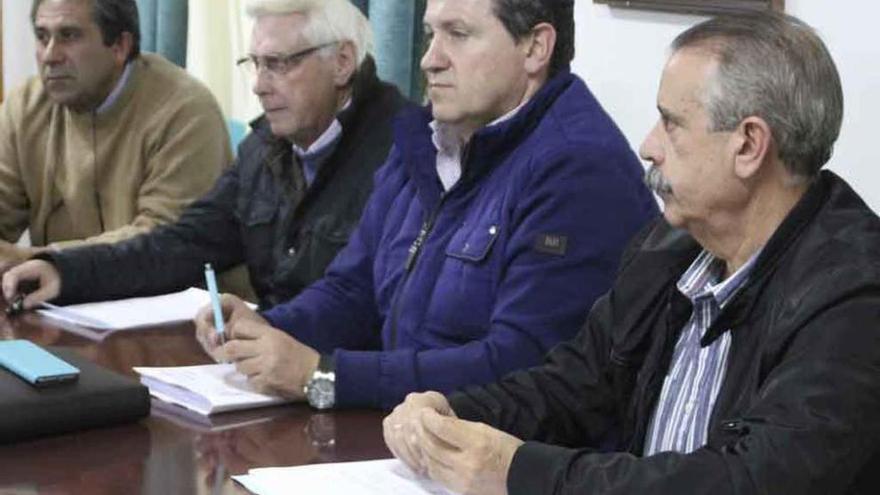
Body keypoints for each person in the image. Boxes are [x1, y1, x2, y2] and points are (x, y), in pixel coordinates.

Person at [383, 11, 880, 495]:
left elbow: (753, 479)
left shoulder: (854, 295)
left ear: (748, 145)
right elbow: (572, 386)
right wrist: (450, 412)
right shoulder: (666, 249)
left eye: (671, 124)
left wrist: (519, 472)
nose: (648, 146)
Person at [192, 0, 658, 411]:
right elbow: (352, 289)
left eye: (458, 34)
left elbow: (523, 366)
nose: (430, 60)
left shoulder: (578, 168)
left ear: (535, 48)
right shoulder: (425, 139)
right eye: (430, 34)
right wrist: (262, 330)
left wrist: (324, 377)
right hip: (402, 435)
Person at [2, 0, 411, 309]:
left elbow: (370, 308)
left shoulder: (405, 152)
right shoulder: (263, 149)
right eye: (255, 64)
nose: (259, 86)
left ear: (341, 63)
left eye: (278, 64)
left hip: (351, 389)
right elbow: (182, 245)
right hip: (267, 370)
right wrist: (65, 272)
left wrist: (272, 336)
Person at [0, 0, 230, 272]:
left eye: (69, 36)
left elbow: (164, 243)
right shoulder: (25, 106)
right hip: (60, 304)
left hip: (184, 306)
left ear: (120, 46)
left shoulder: (184, 110)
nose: (50, 55)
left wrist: (44, 262)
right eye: (42, 37)